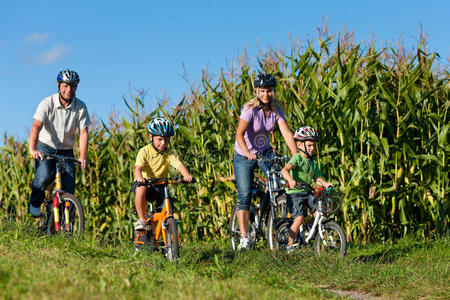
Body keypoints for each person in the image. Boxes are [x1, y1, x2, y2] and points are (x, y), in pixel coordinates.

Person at [234, 73, 297, 250]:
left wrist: (295, 155)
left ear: (273, 91)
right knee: (244, 195)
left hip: (265, 151)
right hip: (243, 154)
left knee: (277, 185)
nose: (266, 94)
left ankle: (270, 218)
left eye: (269, 90)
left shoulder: (277, 109)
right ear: (256, 91)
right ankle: (244, 237)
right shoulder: (249, 108)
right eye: (262, 91)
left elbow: (286, 133)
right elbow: (239, 134)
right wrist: (247, 152)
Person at [29, 69, 90, 217]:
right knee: (44, 176)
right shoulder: (47, 103)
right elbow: (36, 127)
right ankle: (35, 203)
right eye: (65, 85)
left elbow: (83, 133)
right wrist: (33, 149)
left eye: (73, 86)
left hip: (66, 150)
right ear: (58, 86)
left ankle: (66, 231)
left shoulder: (80, 107)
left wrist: (83, 156)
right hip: (46, 147)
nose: (69, 89)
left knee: (69, 190)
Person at [133, 117, 193, 231]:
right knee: (140, 190)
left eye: (166, 139)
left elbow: (179, 165)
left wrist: (186, 175)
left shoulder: (169, 153)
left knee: (168, 206)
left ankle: (169, 240)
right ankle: (141, 219)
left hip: (160, 184)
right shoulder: (144, 151)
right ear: (151, 137)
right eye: (160, 139)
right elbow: (138, 168)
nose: (163, 143)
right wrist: (140, 179)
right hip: (145, 183)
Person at [281, 126, 333, 252]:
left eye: (314, 145)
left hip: (307, 191)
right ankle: (290, 243)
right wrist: (291, 180)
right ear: (299, 145)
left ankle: (309, 228)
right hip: (294, 193)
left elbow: (317, 177)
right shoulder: (297, 158)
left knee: (319, 212)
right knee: (299, 218)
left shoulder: (313, 161)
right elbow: (285, 170)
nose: (312, 148)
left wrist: (325, 184)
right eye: (309, 145)